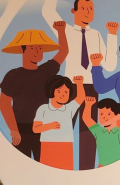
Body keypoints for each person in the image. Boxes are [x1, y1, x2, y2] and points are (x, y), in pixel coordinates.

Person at [42, 0, 120, 170]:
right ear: (73, 11)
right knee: (63, 128)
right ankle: (60, 167)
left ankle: (86, 171)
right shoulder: (66, 30)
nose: (87, 12)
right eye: (84, 8)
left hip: (91, 87)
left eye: (91, 9)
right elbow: (47, 13)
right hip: (69, 87)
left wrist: (112, 35)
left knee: (88, 132)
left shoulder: (97, 35)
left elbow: (110, 65)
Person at [0, 22, 69, 161]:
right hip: (21, 130)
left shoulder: (45, 71)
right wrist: (13, 130)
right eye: (32, 48)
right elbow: (4, 102)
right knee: (21, 165)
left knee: (44, 164)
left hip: (43, 128)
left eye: (40, 48)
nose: (37, 51)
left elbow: (63, 52)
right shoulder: (14, 75)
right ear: (23, 50)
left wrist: (61, 31)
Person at [33, 74, 85, 169]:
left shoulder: (69, 108)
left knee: (66, 169)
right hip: (48, 145)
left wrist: (79, 83)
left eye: (66, 92)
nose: (63, 94)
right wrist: (50, 126)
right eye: (59, 91)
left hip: (66, 145)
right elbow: (35, 129)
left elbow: (80, 97)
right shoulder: (43, 109)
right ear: (51, 91)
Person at [81, 96, 120, 167]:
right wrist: (88, 105)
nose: (104, 117)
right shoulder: (98, 131)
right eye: (101, 114)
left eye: (109, 114)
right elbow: (86, 118)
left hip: (118, 168)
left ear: (118, 116)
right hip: (101, 168)